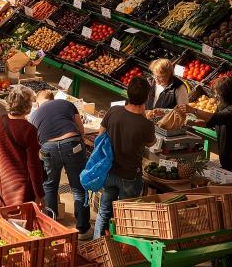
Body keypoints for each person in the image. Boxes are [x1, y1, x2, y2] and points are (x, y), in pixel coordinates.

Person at [94, 76, 157, 239]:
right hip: (130, 176)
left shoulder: (114, 111)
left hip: (110, 170)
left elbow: (100, 135)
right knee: (125, 215)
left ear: (128, 93)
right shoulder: (146, 124)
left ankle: (97, 244)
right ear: (147, 97)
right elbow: (151, 143)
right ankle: (122, 249)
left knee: (104, 211)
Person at [30, 90, 91, 239]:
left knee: (50, 186)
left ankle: (51, 228)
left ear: (37, 103)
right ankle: (83, 228)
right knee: (78, 187)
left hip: (48, 148)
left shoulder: (34, 115)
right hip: (72, 144)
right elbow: (81, 130)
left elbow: (34, 141)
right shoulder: (67, 104)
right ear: (53, 98)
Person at [180, 76, 232, 177]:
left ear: (227, 94)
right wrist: (193, 123)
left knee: (231, 187)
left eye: (218, 93)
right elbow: (212, 122)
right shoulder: (223, 104)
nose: (216, 96)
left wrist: (193, 110)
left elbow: (218, 117)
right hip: (229, 157)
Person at [0, 85, 45, 208]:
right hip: (22, 188)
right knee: (20, 222)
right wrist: (39, 194)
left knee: (2, 220)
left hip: (2, 182)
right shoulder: (29, 130)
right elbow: (33, 165)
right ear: (27, 107)